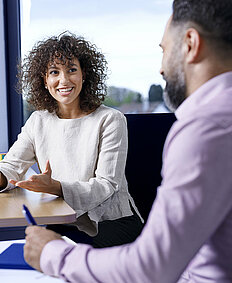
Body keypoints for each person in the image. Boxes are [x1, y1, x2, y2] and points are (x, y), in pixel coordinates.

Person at [23, 0, 232, 282]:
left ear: (190, 44)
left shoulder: (206, 130)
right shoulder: (39, 120)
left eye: (164, 51)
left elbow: (152, 268)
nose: (161, 69)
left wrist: (52, 254)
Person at [0, 33, 143, 248]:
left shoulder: (110, 119)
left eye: (72, 70)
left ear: (84, 74)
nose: (64, 80)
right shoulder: (38, 121)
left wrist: (57, 187)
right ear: (44, 80)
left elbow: (106, 186)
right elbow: (12, 166)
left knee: (48, 256)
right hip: (60, 219)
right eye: (54, 72)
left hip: (109, 223)